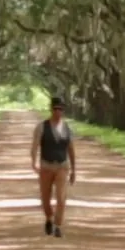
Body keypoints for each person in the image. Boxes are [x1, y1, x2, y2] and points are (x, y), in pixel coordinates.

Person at [31, 96, 77, 237]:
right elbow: (35, 145)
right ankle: (49, 218)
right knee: (45, 198)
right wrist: (34, 162)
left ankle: (58, 225)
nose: (58, 112)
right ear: (51, 109)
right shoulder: (42, 127)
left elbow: (71, 149)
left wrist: (74, 169)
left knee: (61, 198)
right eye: (56, 109)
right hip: (46, 166)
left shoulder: (67, 128)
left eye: (61, 109)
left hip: (62, 166)